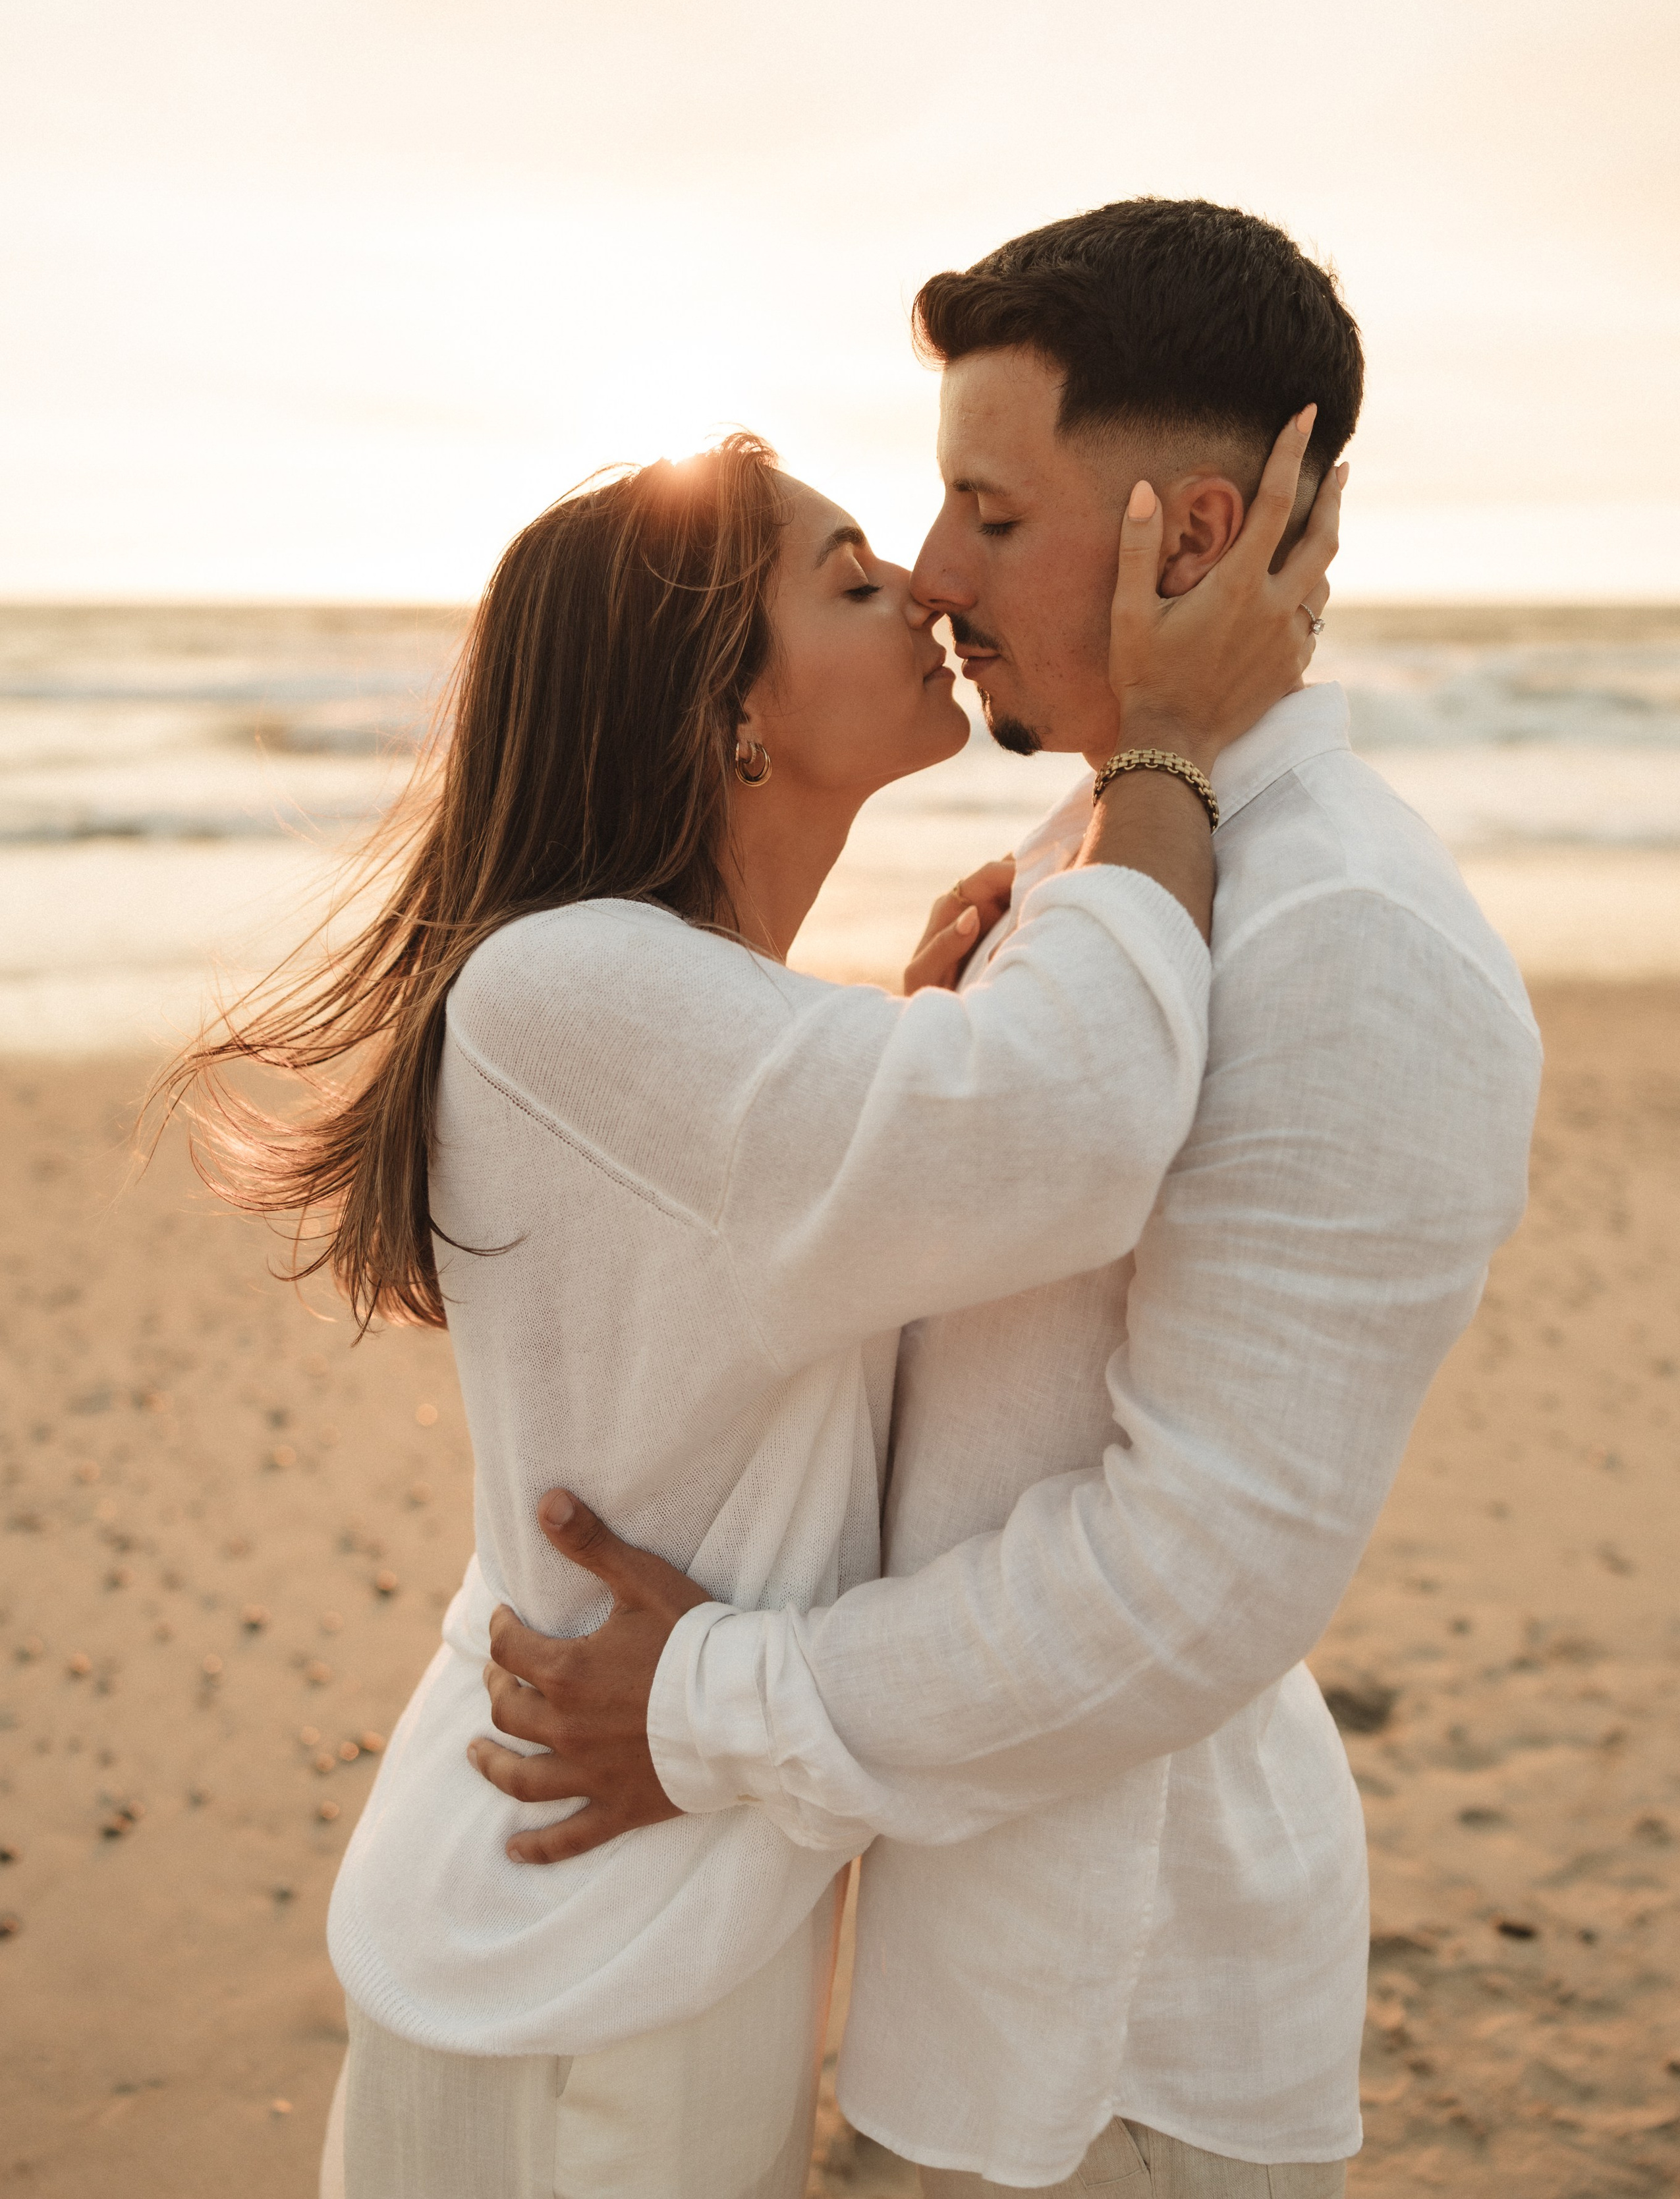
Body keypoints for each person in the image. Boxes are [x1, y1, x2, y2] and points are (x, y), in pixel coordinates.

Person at [468, 200, 1544, 2196]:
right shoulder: (1118, 855)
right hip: (971, 1989)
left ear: (1191, 543)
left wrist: (713, 1701)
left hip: (1125, 2045)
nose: (933, 569)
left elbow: (1196, 1579)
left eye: (987, 509)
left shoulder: (1352, 944)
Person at [153, 409, 1337, 2199]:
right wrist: (1167, 743)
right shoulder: (570, 988)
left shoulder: (661, 1005)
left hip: (646, 1907)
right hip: (580, 1961)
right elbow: (1077, 1123)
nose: (928, 592)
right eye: (852, 578)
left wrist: (921, 1035)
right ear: (730, 713)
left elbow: (900, 1195)